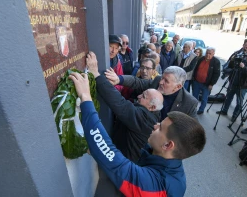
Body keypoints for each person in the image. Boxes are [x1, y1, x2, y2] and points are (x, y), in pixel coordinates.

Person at [69, 68, 206, 197]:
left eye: (160, 128)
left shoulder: (155, 184)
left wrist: (85, 97)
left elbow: (114, 160)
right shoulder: (161, 158)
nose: (155, 126)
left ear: (167, 145)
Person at [86, 52, 164, 162]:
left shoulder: (143, 117)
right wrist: (119, 79)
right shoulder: (152, 112)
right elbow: (136, 81)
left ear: (152, 107)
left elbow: (119, 103)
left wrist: (96, 75)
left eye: (144, 96)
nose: (139, 96)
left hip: (125, 163)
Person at [105, 66, 199, 121]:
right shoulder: (157, 80)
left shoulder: (190, 103)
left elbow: (192, 133)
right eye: (162, 78)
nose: (161, 82)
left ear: (178, 86)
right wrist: (119, 79)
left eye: (166, 81)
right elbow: (137, 82)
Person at [216, 48, 247, 121]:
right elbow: (233, 68)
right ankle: (224, 110)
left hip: (243, 86)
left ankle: (235, 115)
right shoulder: (242, 60)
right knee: (228, 98)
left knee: (239, 102)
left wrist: (244, 67)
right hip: (233, 83)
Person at [192, 47, 221, 115]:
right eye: (207, 53)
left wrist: (211, 84)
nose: (208, 55)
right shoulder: (201, 59)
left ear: (213, 54)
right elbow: (196, 69)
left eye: (210, 53)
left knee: (204, 98)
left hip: (206, 84)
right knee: (194, 97)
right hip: (197, 82)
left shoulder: (216, 62)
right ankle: (193, 108)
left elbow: (216, 74)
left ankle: (201, 110)